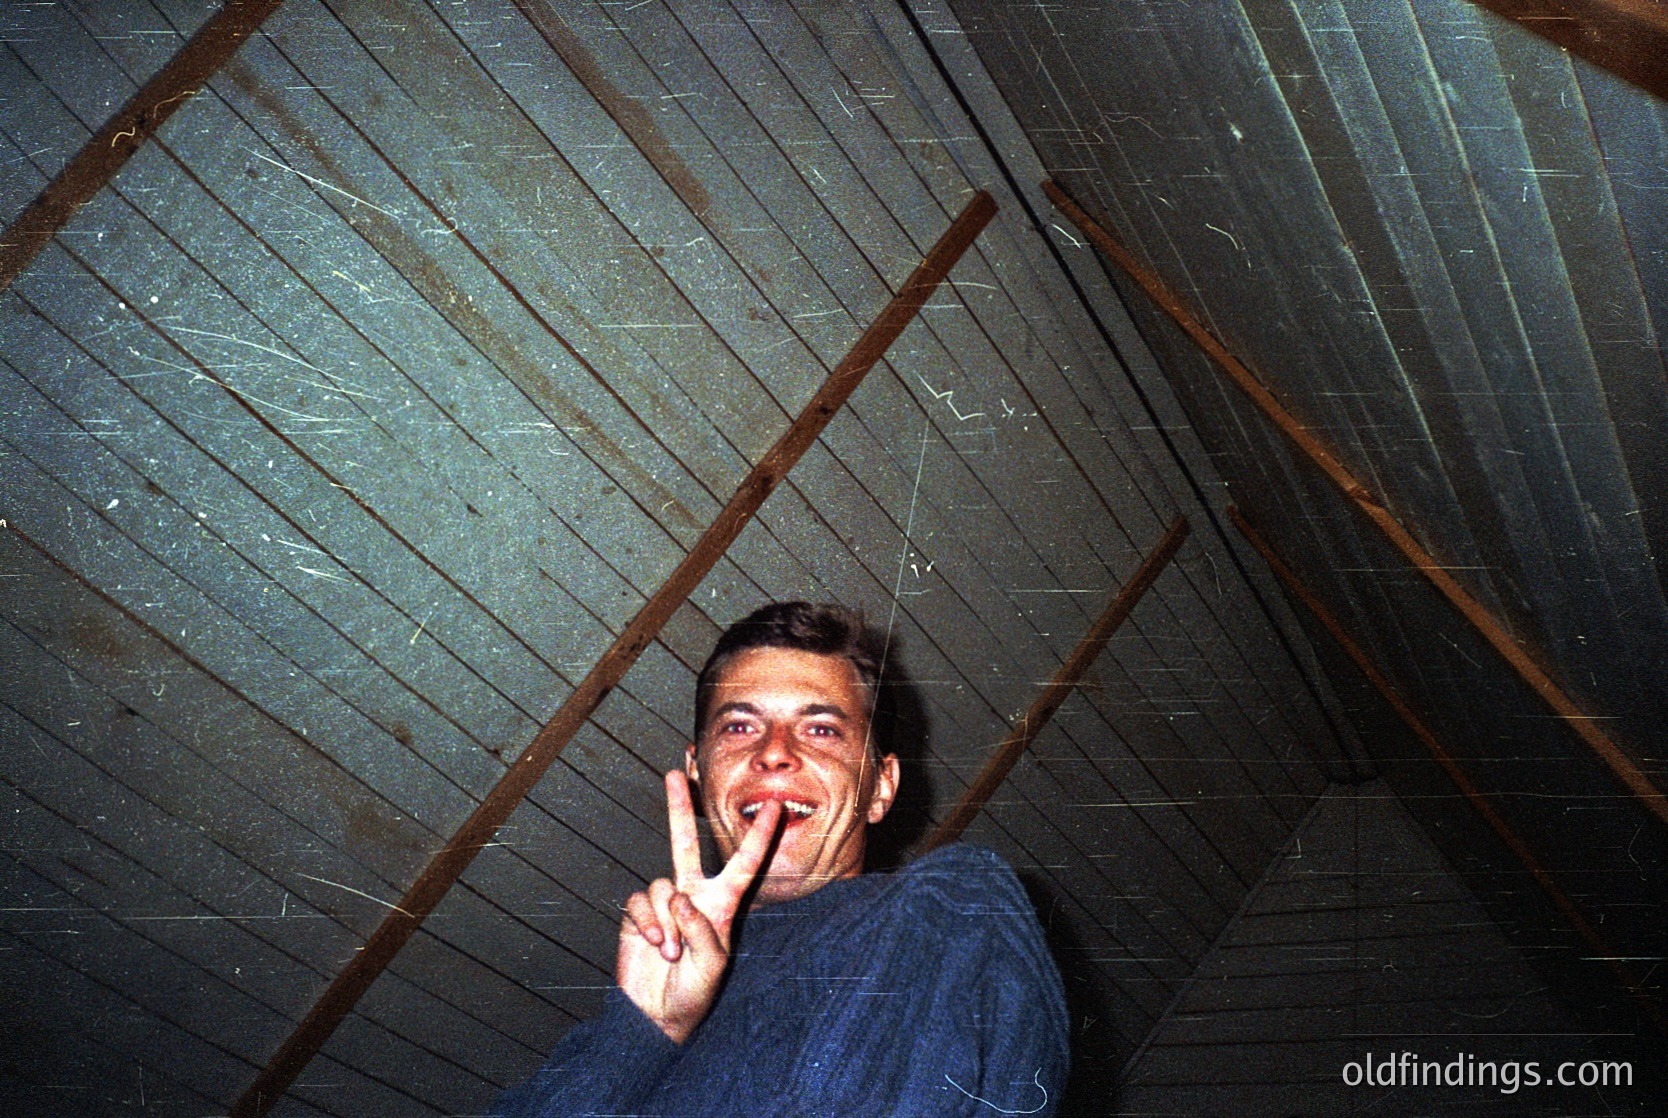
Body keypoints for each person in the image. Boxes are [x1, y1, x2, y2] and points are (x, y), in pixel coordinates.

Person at [492, 602, 1069, 1116]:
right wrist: (643, 1031)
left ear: (880, 787)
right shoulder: (645, 1011)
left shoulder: (954, 903)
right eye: (740, 725)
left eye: (820, 729)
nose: (773, 752)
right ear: (697, 773)